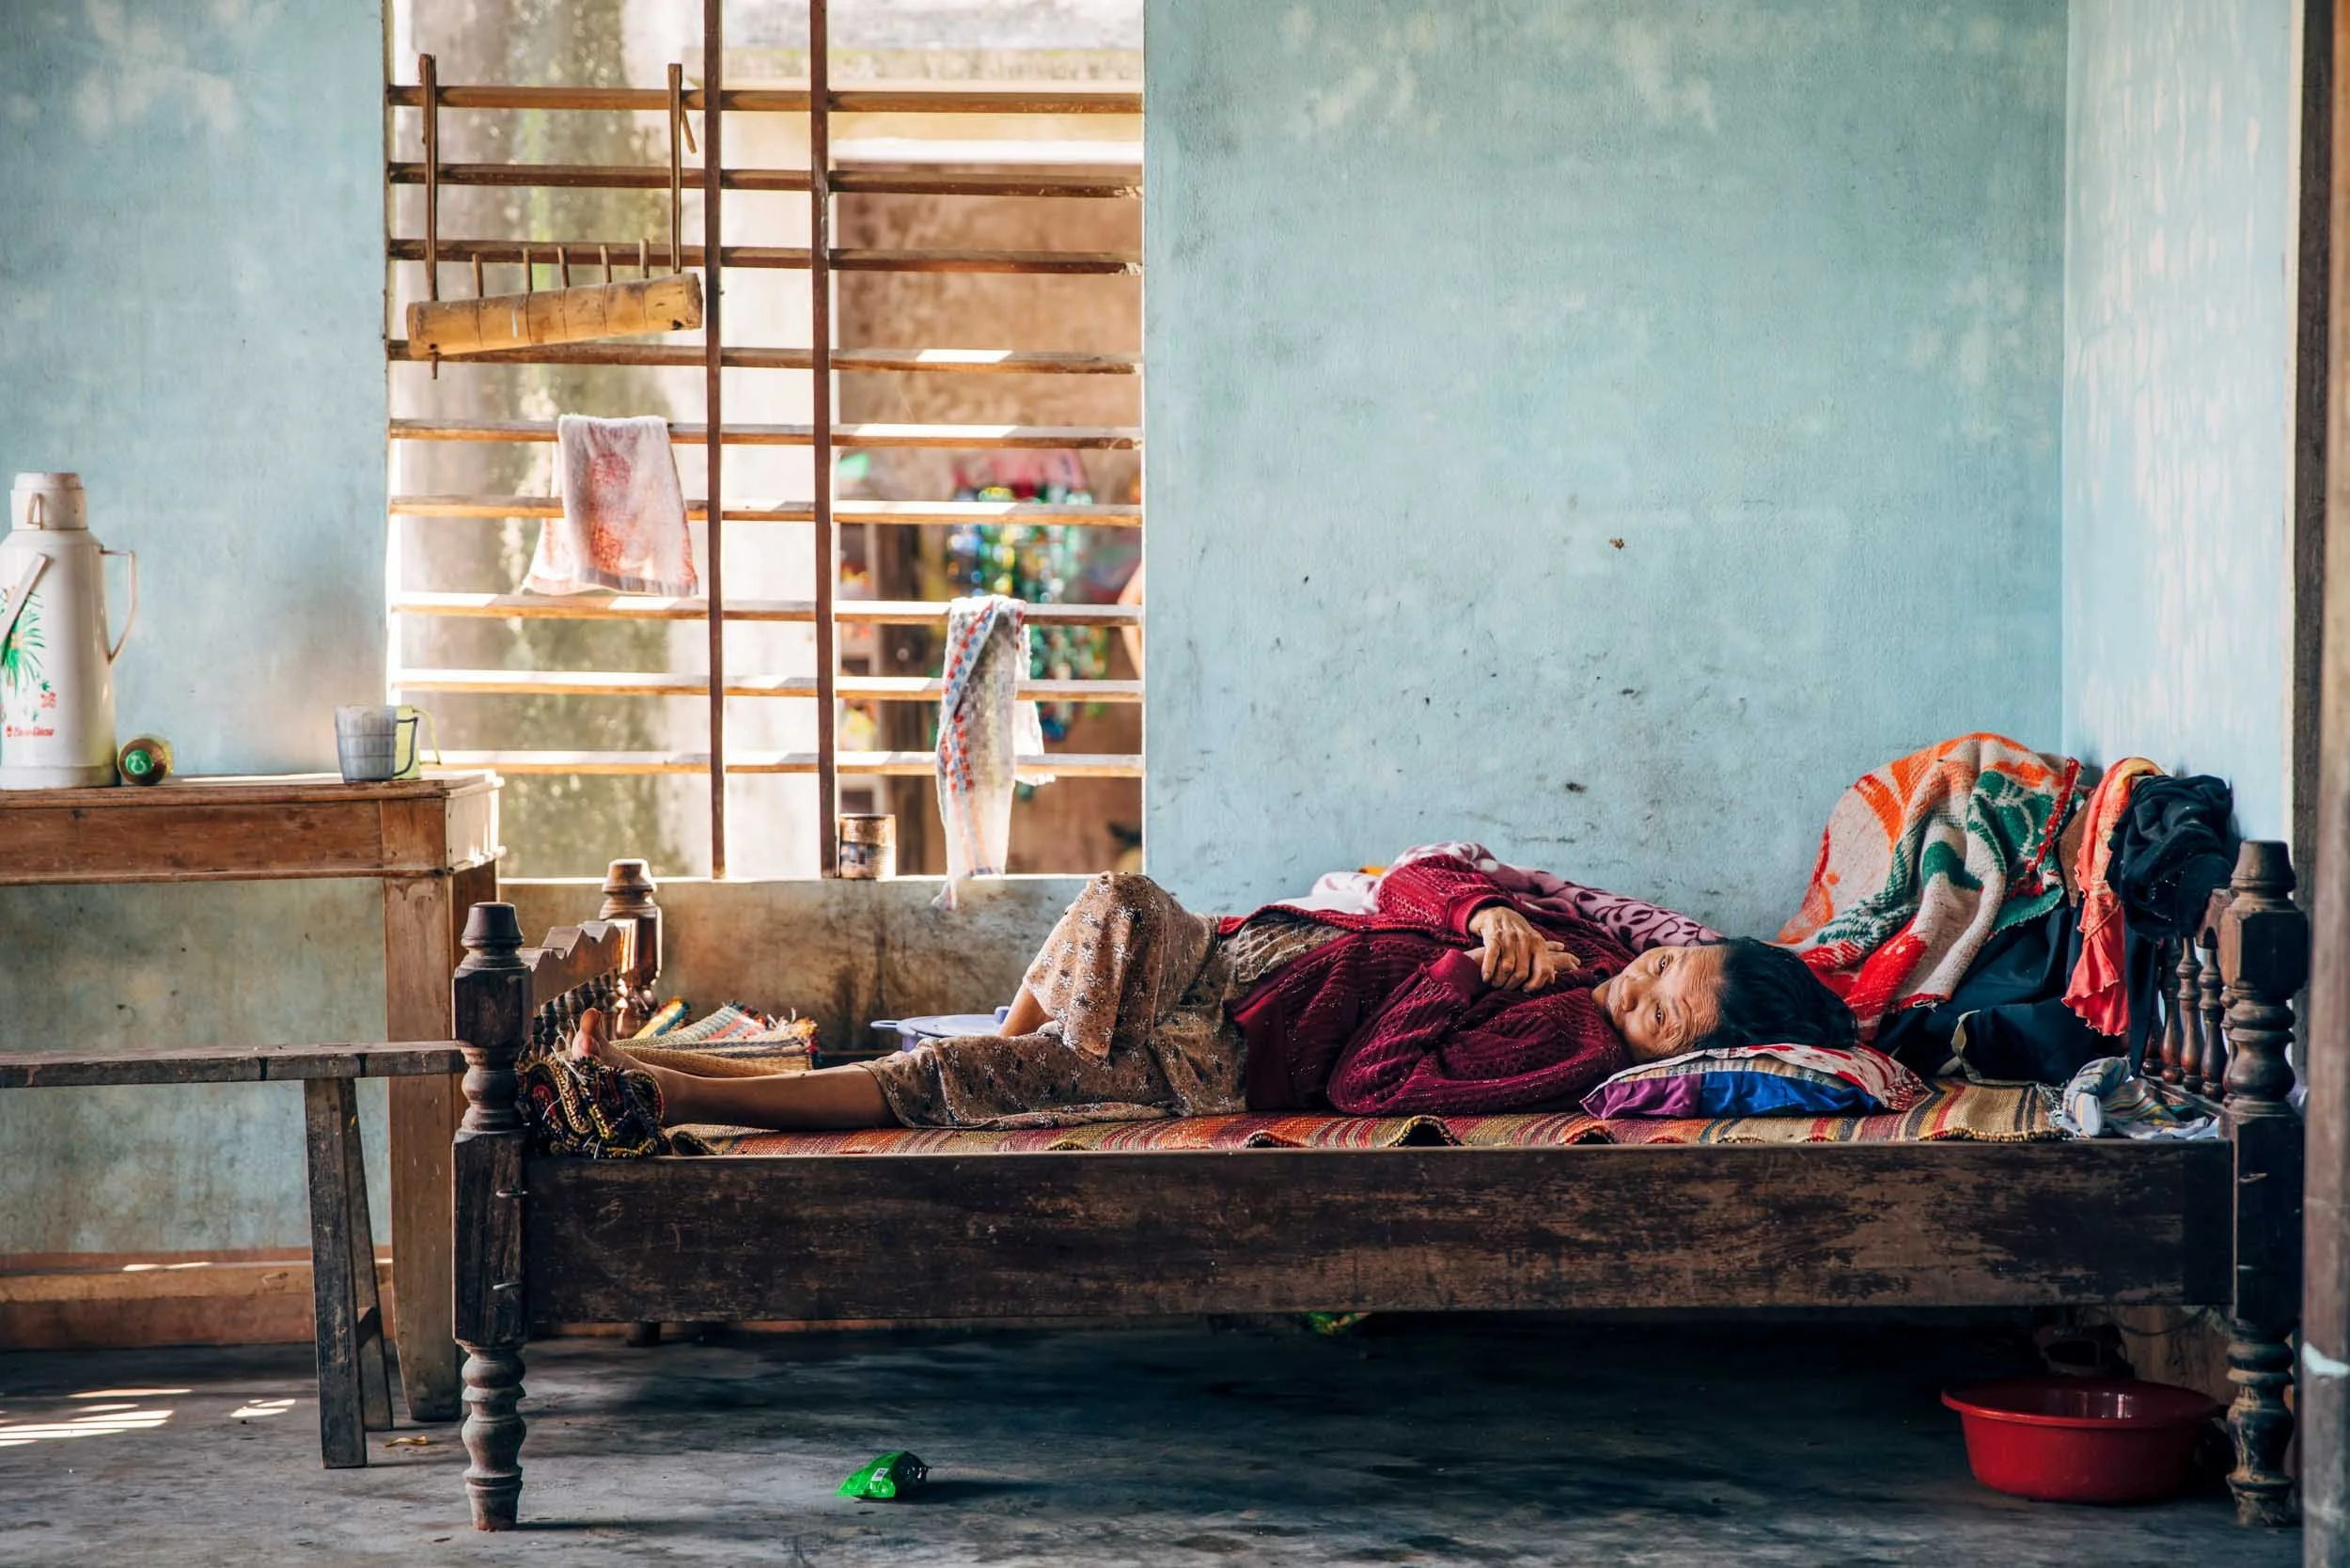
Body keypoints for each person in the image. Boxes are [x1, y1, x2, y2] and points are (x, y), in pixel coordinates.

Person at [573, 851, 1857, 1133]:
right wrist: (1487, 915)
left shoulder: (1567, 1042)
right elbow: (1412, 877)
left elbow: (1374, 1086)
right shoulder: (1577, 941)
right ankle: (1028, 1057)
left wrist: (1461, 977)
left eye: (1661, 1013)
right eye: (1664, 967)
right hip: (1232, 966)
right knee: (1120, 900)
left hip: (1215, 1063)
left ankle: (660, 1081)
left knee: (949, 1081)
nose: (1638, 988)